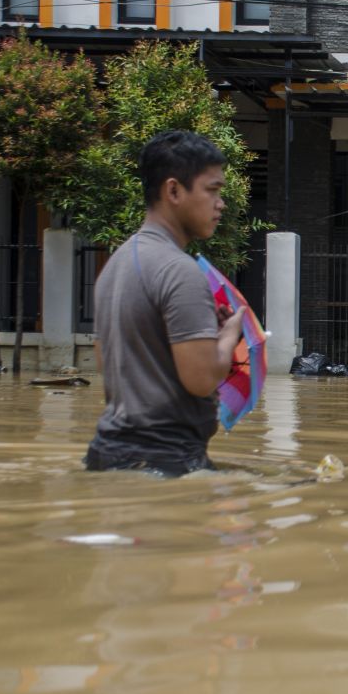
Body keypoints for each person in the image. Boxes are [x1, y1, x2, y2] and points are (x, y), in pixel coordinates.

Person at [83, 130, 245, 476]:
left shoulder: (116, 264)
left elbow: (107, 361)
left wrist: (200, 332)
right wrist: (229, 336)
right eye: (212, 190)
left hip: (107, 453)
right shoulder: (180, 271)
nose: (221, 203)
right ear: (173, 190)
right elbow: (201, 380)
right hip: (165, 459)